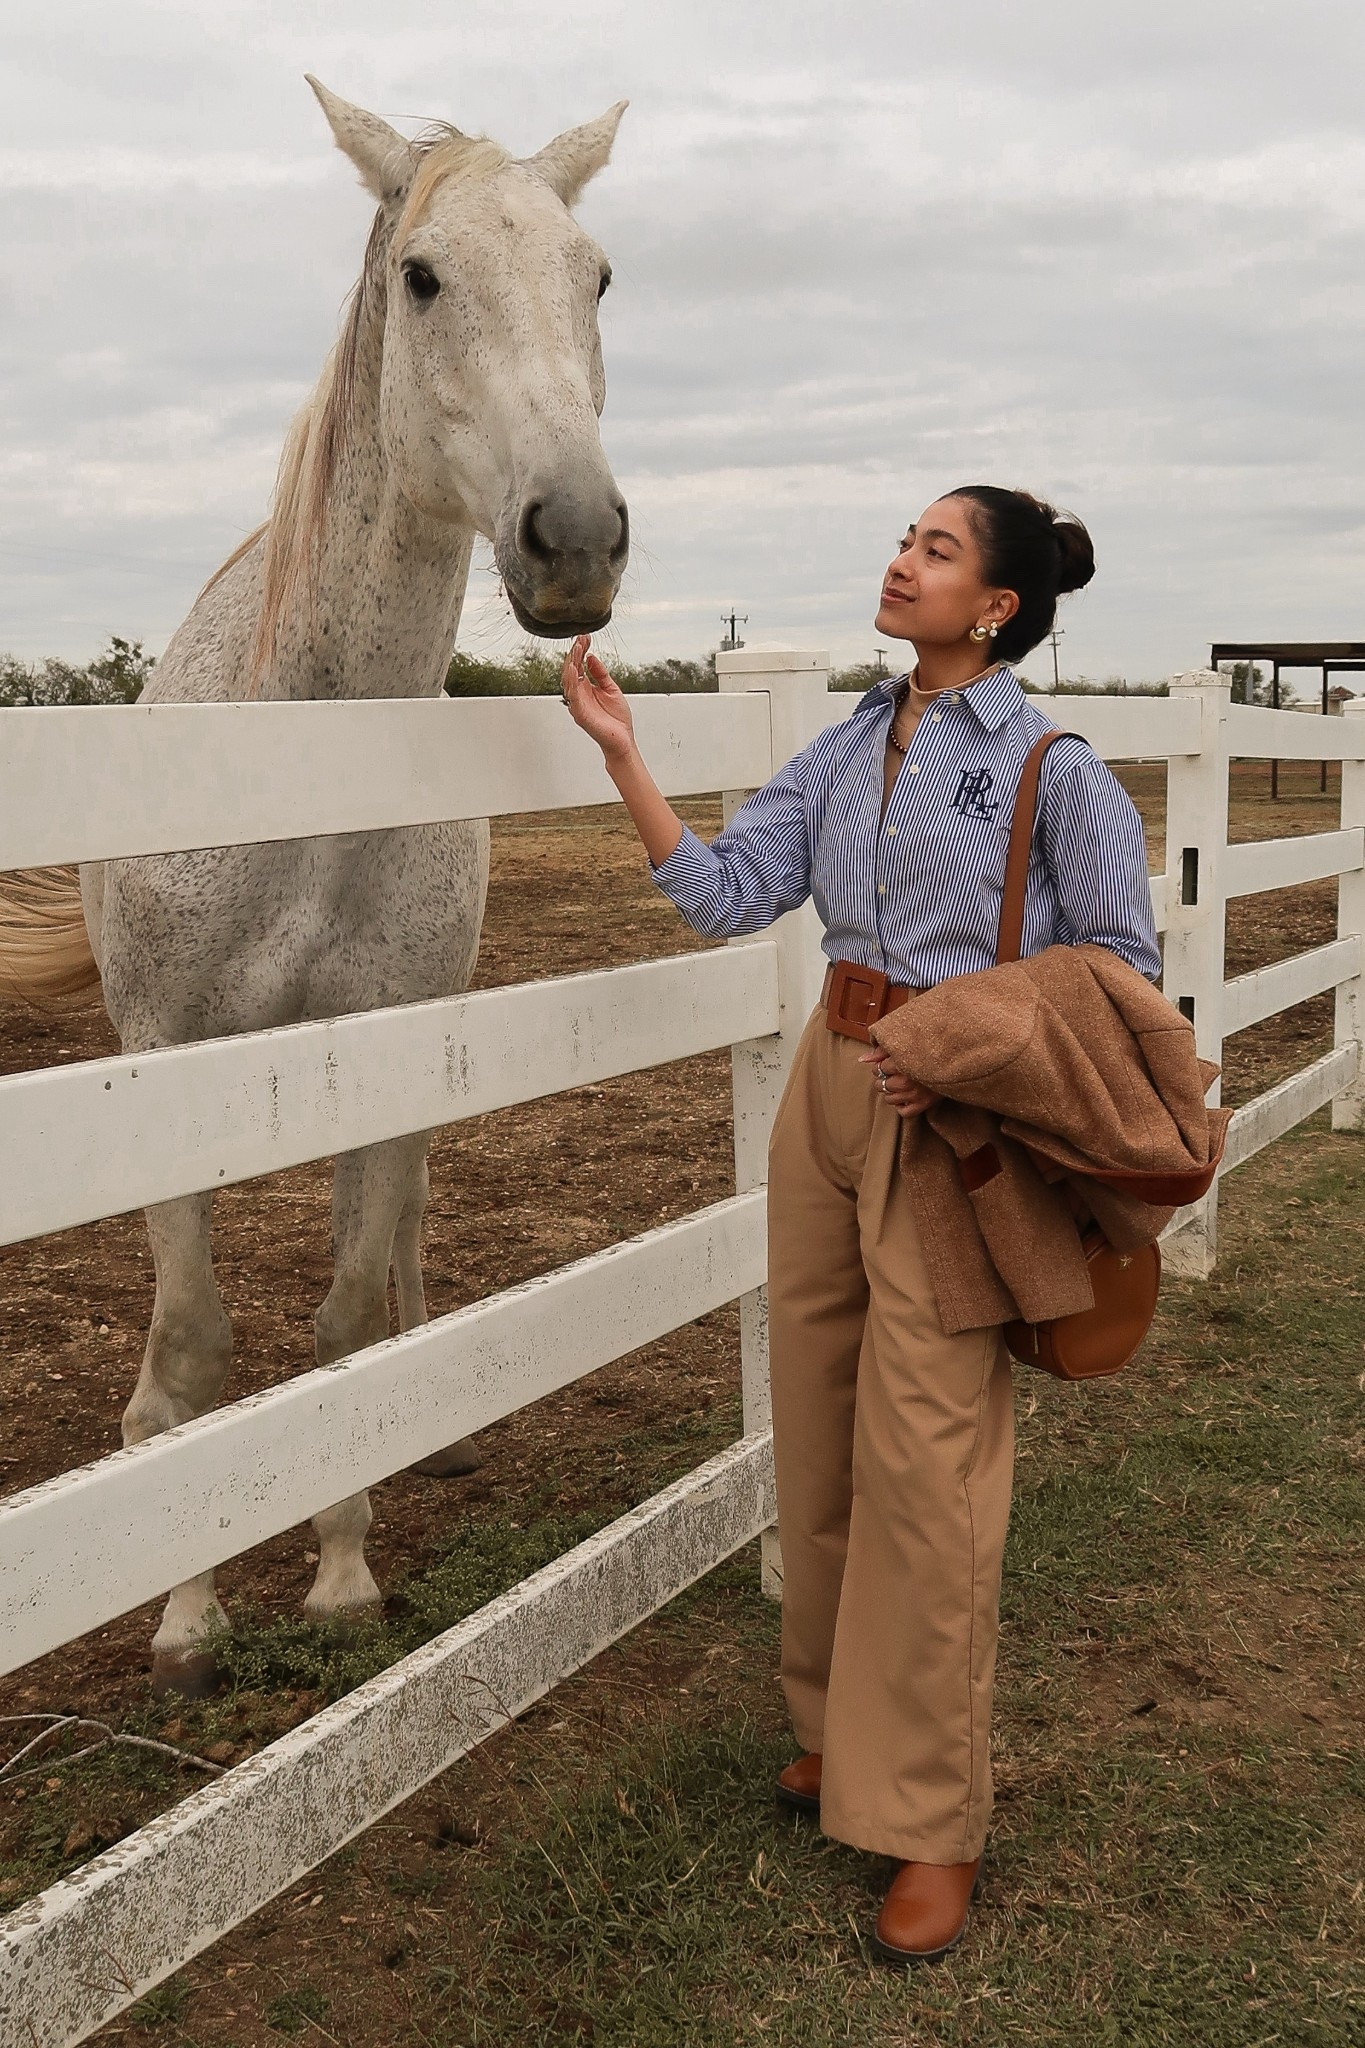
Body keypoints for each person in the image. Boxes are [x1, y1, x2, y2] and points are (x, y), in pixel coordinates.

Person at [560, 485, 1159, 1963]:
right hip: (827, 1099)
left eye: (937, 549)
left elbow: (1119, 971)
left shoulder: (1048, 767)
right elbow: (720, 897)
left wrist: (956, 1041)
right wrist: (626, 758)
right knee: (818, 1428)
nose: (900, 561)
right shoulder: (837, 751)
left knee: (931, 1461)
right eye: (905, 539)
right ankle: (835, 1734)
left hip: (951, 1126)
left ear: (997, 607)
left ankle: (930, 1818)